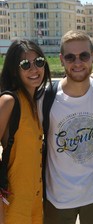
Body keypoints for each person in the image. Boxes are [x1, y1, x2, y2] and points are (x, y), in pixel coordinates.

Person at [40, 30, 93, 224]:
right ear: (61, 60)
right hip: (58, 198)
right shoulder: (45, 98)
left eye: (84, 55)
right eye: (70, 57)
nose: (78, 62)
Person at [0, 39, 51, 224]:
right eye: (25, 64)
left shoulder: (35, 102)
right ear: (15, 70)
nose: (34, 69)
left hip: (35, 204)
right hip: (12, 206)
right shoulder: (9, 101)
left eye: (39, 62)